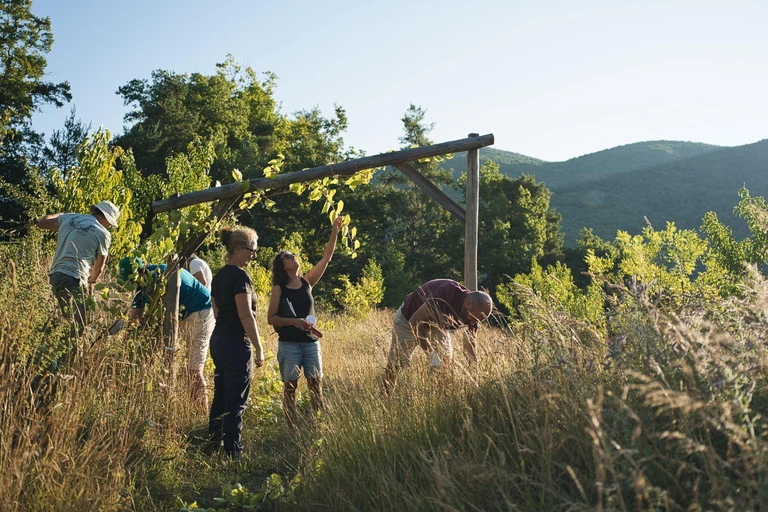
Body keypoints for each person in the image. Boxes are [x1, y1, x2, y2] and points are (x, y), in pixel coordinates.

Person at [267, 216, 343, 430]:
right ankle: (292, 430)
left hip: (311, 343)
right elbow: (271, 319)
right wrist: (294, 322)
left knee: (316, 386)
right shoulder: (278, 289)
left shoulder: (307, 282)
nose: (293, 257)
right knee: (290, 389)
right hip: (289, 344)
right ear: (282, 266)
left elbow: (326, 258)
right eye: (288, 256)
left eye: (293, 254)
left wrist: (334, 232)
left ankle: (319, 427)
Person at [120, 258, 214, 410]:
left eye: (133, 280)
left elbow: (135, 318)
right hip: (188, 314)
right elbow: (137, 315)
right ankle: (189, 409)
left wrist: (128, 337)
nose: (132, 285)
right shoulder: (147, 280)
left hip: (201, 313)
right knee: (186, 366)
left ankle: (201, 414)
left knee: (194, 369)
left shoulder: (161, 275)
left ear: (141, 272)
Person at [208, 225, 265, 457]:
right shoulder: (241, 277)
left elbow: (216, 311)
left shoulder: (219, 275)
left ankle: (213, 443)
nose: (254, 256)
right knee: (236, 399)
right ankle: (233, 452)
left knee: (220, 394)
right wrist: (259, 347)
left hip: (218, 340)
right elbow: (245, 314)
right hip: (235, 344)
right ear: (239, 249)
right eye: (252, 251)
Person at [383, 279, 493, 394]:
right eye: (474, 319)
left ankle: (440, 398)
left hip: (437, 326)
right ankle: (385, 396)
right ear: (468, 304)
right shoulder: (446, 292)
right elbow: (414, 322)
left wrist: (476, 373)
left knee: (445, 363)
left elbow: (469, 346)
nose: (473, 323)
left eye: (478, 321)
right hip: (408, 320)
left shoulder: (475, 315)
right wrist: (432, 355)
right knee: (397, 363)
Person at [38, 200, 121, 335]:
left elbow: (42, 223)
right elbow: (99, 266)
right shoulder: (103, 233)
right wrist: (91, 282)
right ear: (106, 218)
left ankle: (53, 348)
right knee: (79, 326)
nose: (109, 226)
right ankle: (67, 354)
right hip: (74, 278)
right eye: (109, 223)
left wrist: (63, 215)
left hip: (56, 275)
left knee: (68, 319)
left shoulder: (69, 218)